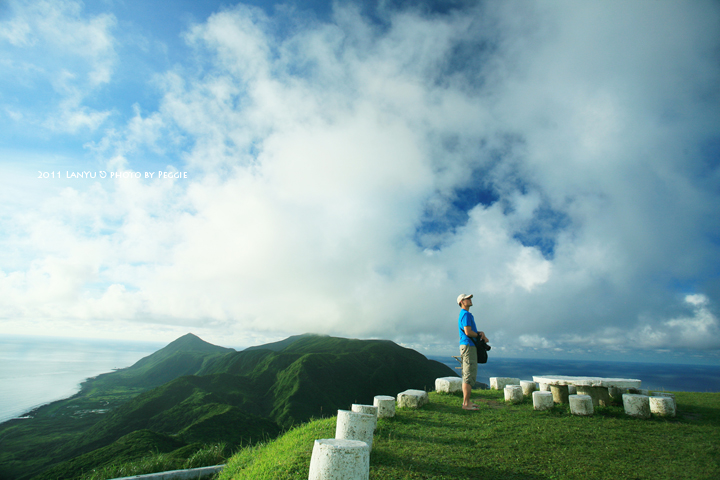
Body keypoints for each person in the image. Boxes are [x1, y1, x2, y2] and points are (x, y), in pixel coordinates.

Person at [457, 293, 489, 410]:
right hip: (468, 346)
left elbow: (470, 331)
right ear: (462, 302)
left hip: (468, 345)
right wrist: (479, 336)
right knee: (469, 374)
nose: (470, 300)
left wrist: (480, 334)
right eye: (467, 299)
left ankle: (467, 402)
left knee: (468, 373)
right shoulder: (465, 314)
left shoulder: (466, 314)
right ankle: (466, 404)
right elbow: (468, 332)